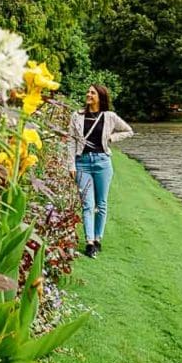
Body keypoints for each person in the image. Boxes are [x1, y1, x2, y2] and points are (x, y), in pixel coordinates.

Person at [67, 84, 133, 257]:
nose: (88, 95)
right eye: (88, 91)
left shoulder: (109, 116)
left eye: (92, 93)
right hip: (83, 163)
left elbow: (128, 131)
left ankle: (98, 238)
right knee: (88, 204)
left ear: (100, 97)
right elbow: (71, 142)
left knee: (101, 204)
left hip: (103, 162)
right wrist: (71, 165)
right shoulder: (77, 116)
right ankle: (89, 242)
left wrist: (112, 137)